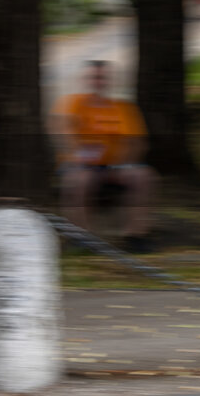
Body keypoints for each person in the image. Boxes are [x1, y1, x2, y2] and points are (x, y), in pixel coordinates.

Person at [49, 60, 157, 252]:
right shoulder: (71, 103)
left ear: (109, 81)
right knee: (80, 179)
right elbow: (62, 132)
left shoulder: (123, 108)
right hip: (79, 164)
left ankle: (135, 235)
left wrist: (121, 164)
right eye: (94, 77)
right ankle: (80, 237)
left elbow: (137, 142)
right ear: (85, 79)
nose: (98, 81)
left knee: (143, 176)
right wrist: (77, 156)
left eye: (102, 77)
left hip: (115, 166)